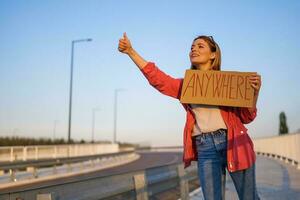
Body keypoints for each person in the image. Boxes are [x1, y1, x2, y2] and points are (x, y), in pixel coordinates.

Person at [118, 33, 261, 200]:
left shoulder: (229, 84)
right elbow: (159, 80)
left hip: (234, 142)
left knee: (249, 198)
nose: (194, 49)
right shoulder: (187, 86)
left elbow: (247, 117)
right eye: (192, 47)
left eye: (200, 46)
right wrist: (131, 51)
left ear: (213, 55)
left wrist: (254, 94)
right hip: (205, 147)